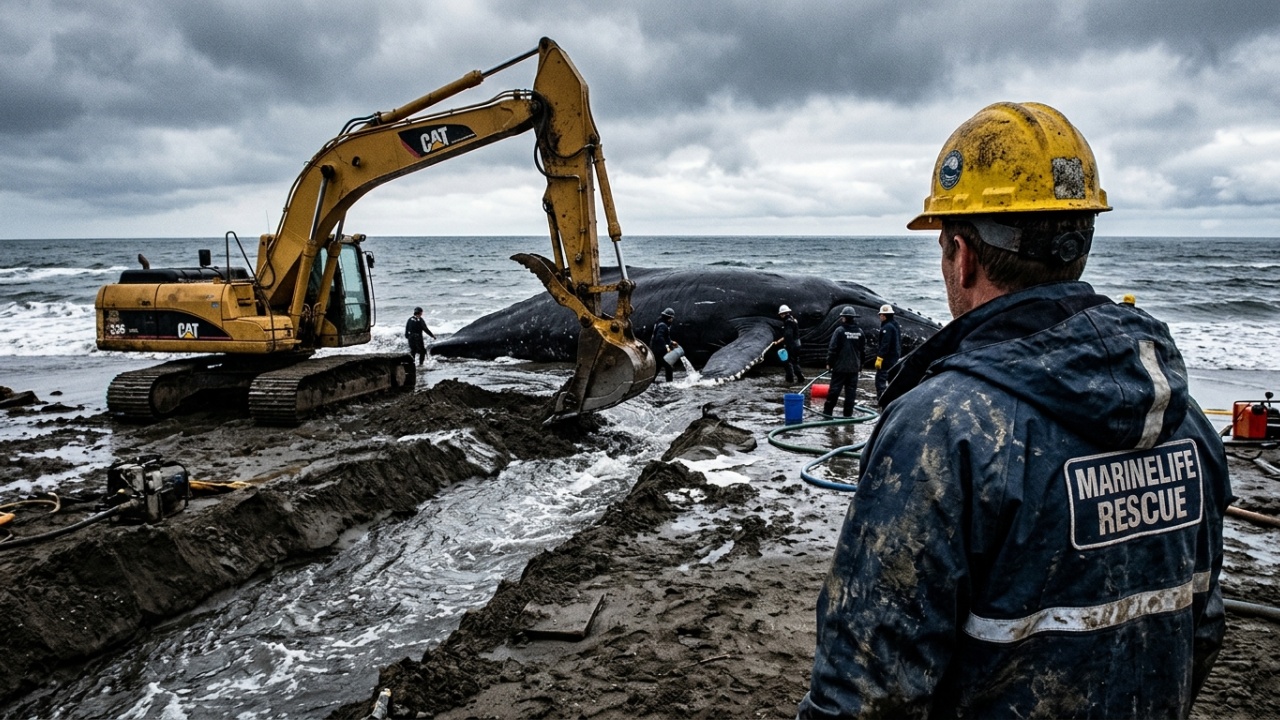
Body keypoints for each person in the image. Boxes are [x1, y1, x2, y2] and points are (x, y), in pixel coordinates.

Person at [799, 102, 1230, 719]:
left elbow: (866, 691)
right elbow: (1201, 627)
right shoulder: (1184, 420)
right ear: (1078, 242)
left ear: (961, 254)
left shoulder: (943, 429)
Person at [822, 306, 864, 417]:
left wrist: (829, 363)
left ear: (845, 318)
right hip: (854, 368)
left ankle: (827, 414)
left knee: (834, 391)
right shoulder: (860, 332)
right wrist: (860, 366)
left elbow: (832, 349)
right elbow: (863, 351)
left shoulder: (839, 331)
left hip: (840, 368)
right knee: (851, 393)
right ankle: (848, 415)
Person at [872, 303, 900, 404]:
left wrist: (880, 358)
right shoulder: (895, 325)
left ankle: (882, 399)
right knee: (892, 378)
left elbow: (885, 344)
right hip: (894, 357)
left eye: (880, 315)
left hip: (886, 359)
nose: (880, 317)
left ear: (884, 315)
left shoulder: (887, 328)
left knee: (880, 379)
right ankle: (892, 398)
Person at [777, 304, 806, 384]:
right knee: (795, 361)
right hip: (797, 344)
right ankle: (800, 377)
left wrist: (786, 344)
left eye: (781, 314)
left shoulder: (788, 322)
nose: (781, 316)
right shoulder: (793, 320)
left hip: (792, 344)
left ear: (783, 314)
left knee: (787, 362)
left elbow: (788, 335)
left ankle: (790, 379)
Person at [650, 307, 678, 382]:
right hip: (660, 351)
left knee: (658, 367)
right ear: (669, 318)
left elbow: (663, 337)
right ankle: (669, 384)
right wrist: (667, 347)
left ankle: (650, 382)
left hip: (656, 351)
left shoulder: (660, 324)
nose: (672, 320)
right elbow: (659, 338)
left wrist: (671, 342)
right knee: (669, 367)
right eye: (672, 318)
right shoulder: (663, 326)